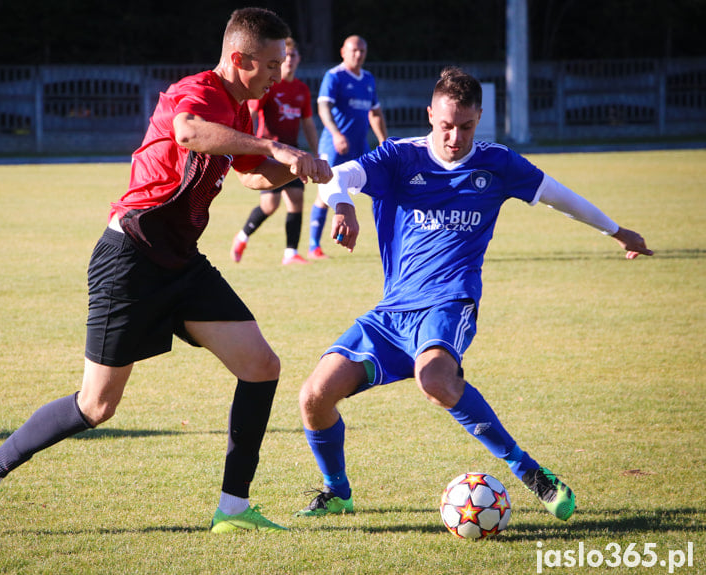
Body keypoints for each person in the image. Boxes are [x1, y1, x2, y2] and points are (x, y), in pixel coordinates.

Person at [0, 7, 331, 536]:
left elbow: (249, 174)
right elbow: (189, 134)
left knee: (261, 365)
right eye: (271, 64)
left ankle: (232, 509)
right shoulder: (199, 92)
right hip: (130, 256)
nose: (278, 73)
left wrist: (298, 168)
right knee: (96, 405)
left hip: (181, 262)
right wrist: (277, 146)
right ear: (239, 58)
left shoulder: (244, 109)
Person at [294, 66, 652, 521]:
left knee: (436, 382)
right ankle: (337, 491)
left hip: (448, 304)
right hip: (391, 314)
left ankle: (531, 472)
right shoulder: (399, 158)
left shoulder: (497, 163)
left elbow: (560, 197)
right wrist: (344, 204)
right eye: (445, 126)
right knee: (314, 396)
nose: (454, 138)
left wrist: (617, 231)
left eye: (465, 127)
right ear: (430, 115)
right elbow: (333, 177)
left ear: (479, 118)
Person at [231, 37, 319, 265]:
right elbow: (250, 114)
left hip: (293, 150)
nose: (289, 61)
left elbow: (308, 123)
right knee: (270, 206)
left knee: (297, 199)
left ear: (298, 59)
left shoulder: (301, 89)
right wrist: (246, 143)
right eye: (285, 57)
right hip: (270, 151)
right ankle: (242, 237)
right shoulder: (270, 86)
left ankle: (290, 253)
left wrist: (316, 152)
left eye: (293, 56)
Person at [306, 35, 387, 260]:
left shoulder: (368, 79)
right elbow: (323, 107)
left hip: (359, 146)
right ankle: (314, 246)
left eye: (362, 50)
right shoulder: (334, 76)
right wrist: (336, 134)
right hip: (334, 146)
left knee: (379, 189)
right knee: (326, 193)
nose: (358, 54)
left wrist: (383, 140)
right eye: (354, 50)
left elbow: (375, 112)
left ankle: (387, 241)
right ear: (343, 51)